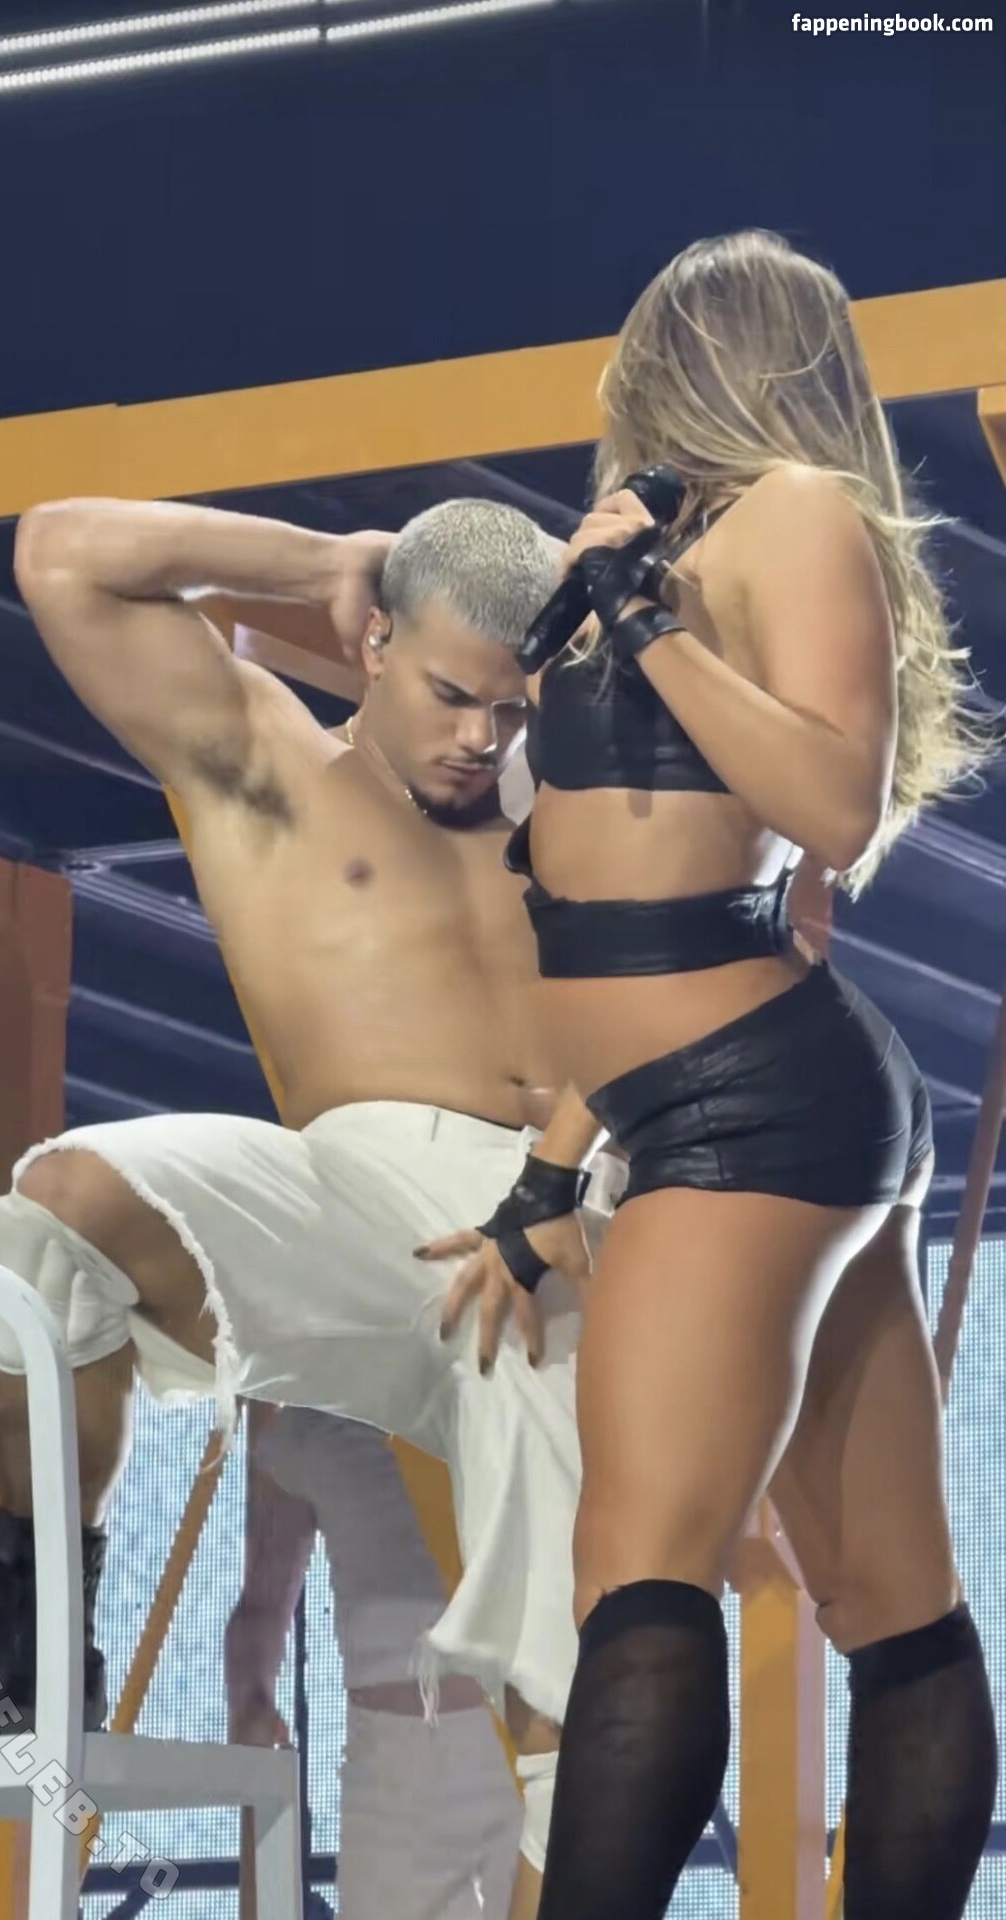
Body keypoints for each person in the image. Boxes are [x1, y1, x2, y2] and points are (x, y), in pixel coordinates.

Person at [421, 230, 999, 1920]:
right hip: (707, 1101)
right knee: (888, 1602)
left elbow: (831, 806)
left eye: (647, 350)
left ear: (705, 355)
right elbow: (613, 914)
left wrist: (647, 627)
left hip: (753, 1104)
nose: (622, 383)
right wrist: (550, 1169)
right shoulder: (663, 546)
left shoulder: (796, 514)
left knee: (637, 1572)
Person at [0, 491, 616, 1918]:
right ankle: (42, 1632)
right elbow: (58, 553)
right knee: (56, 1210)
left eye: (509, 709)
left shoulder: (569, 799)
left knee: (569, 1671)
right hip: (354, 1192)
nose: (481, 738)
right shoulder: (267, 761)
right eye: (451, 696)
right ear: (374, 642)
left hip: (560, 1211)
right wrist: (328, 560)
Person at [226, 1405, 521, 1920]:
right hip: (393, 1771)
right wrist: (251, 1708)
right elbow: (261, 1604)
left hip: (528, 1733)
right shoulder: (307, 1414)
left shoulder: (499, 1380)